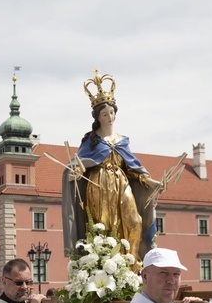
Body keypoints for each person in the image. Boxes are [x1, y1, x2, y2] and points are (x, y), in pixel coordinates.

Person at [62, 69, 158, 264]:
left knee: (134, 221)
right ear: (98, 117)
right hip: (98, 186)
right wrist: (76, 172)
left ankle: (132, 264)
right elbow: (80, 163)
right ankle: (106, 266)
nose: (109, 117)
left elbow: (132, 167)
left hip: (121, 184)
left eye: (112, 112)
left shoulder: (122, 141)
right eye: (105, 114)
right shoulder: (92, 141)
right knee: (104, 228)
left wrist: (148, 180)